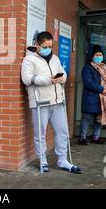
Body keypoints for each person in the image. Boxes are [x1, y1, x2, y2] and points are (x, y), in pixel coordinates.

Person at [21, 31, 82, 174]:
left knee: (62, 131)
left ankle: (63, 160)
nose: (48, 48)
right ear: (37, 45)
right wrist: (48, 80)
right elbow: (27, 78)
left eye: (50, 46)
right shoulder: (29, 60)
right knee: (39, 133)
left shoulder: (55, 58)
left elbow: (64, 73)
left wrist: (62, 78)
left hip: (58, 101)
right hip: (40, 102)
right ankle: (43, 160)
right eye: (45, 46)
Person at [79, 45, 106, 145]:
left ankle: (95, 137)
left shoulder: (104, 67)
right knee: (86, 118)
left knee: (99, 119)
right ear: (92, 56)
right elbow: (88, 82)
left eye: (100, 55)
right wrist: (102, 89)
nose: (99, 56)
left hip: (102, 98)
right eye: (96, 55)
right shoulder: (87, 68)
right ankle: (82, 137)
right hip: (91, 97)